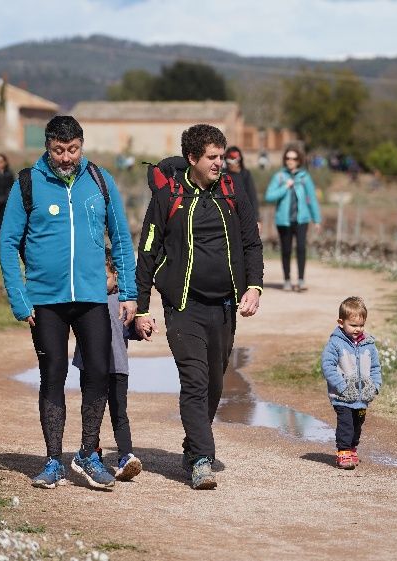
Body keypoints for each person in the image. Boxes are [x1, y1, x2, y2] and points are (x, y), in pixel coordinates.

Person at [0, 115, 137, 491]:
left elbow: (122, 239)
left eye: (72, 150)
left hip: (93, 297)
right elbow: (8, 244)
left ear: (81, 146)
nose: (65, 157)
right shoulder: (28, 183)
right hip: (45, 300)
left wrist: (128, 292)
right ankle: (53, 460)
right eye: (58, 150)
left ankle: (88, 454)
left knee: (97, 371)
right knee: (53, 376)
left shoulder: (99, 180)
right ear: (47, 147)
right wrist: (19, 297)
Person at [134, 124, 263, 490]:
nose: (220, 164)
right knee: (194, 380)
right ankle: (202, 459)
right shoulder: (167, 195)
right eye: (212, 157)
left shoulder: (232, 191)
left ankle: (193, 448)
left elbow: (252, 244)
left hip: (223, 306)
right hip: (183, 306)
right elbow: (147, 253)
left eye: (222, 157)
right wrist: (142, 307)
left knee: (214, 383)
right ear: (192, 158)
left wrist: (253, 287)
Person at [72, 248, 142, 481]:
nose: (98, 282)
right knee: (92, 411)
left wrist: (143, 328)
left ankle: (125, 457)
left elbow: (132, 330)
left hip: (117, 368)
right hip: (90, 368)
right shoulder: (84, 301)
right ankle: (92, 450)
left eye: (104, 277)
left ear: (116, 276)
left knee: (119, 413)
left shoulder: (124, 302)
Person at [320, 297, 382, 470]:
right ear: (341, 322)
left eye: (361, 325)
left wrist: (375, 385)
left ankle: (353, 447)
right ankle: (343, 451)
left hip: (363, 396)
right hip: (343, 396)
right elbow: (328, 366)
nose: (358, 329)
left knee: (357, 423)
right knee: (346, 423)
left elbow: (376, 367)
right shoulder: (335, 343)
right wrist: (342, 386)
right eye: (353, 325)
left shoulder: (368, 344)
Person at [264, 145, 321, 292]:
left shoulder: (305, 177)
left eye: (294, 158)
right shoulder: (280, 177)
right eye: (288, 158)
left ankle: (301, 281)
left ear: (299, 160)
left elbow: (312, 199)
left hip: (302, 220)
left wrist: (317, 219)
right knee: (286, 250)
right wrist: (285, 187)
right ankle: (287, 280)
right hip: (284, 221)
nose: (290, 161)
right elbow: (269, 196)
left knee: (301, 248)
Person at [224, 146, 260, 231]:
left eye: (234, 158)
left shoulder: (245, 174)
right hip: (228, 217)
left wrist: (257, 219)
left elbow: (252, 197)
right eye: (229, 159)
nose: (232, 162)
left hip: (244, 217)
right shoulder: (223, 175)